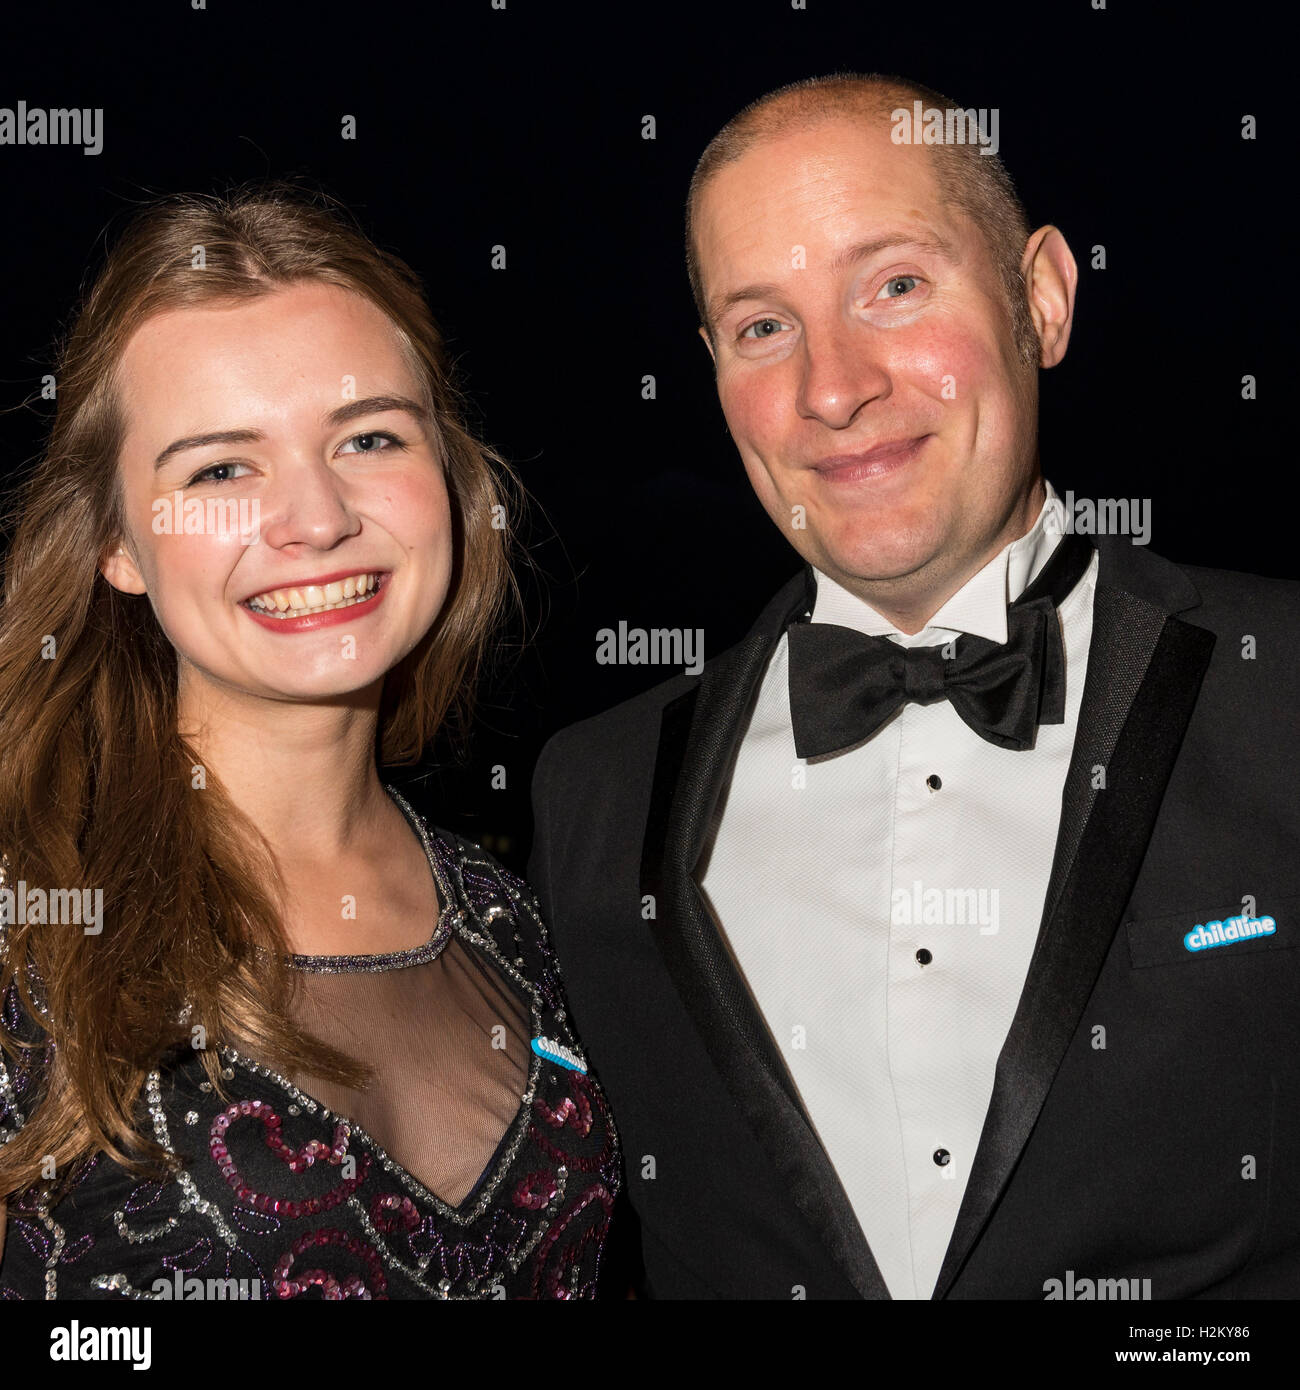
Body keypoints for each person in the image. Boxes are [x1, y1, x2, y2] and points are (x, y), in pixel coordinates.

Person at [528, 73, 1300, 1298]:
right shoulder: (591, 791)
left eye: (893, 286)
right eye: (762, 326)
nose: (833, 388)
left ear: (1039, 297)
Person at [0, 184, 620, 1300]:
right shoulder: (26, 918)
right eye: (221, 469)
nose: (318, 518)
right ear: (117, 545)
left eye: (369, 436)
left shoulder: (522, 919)